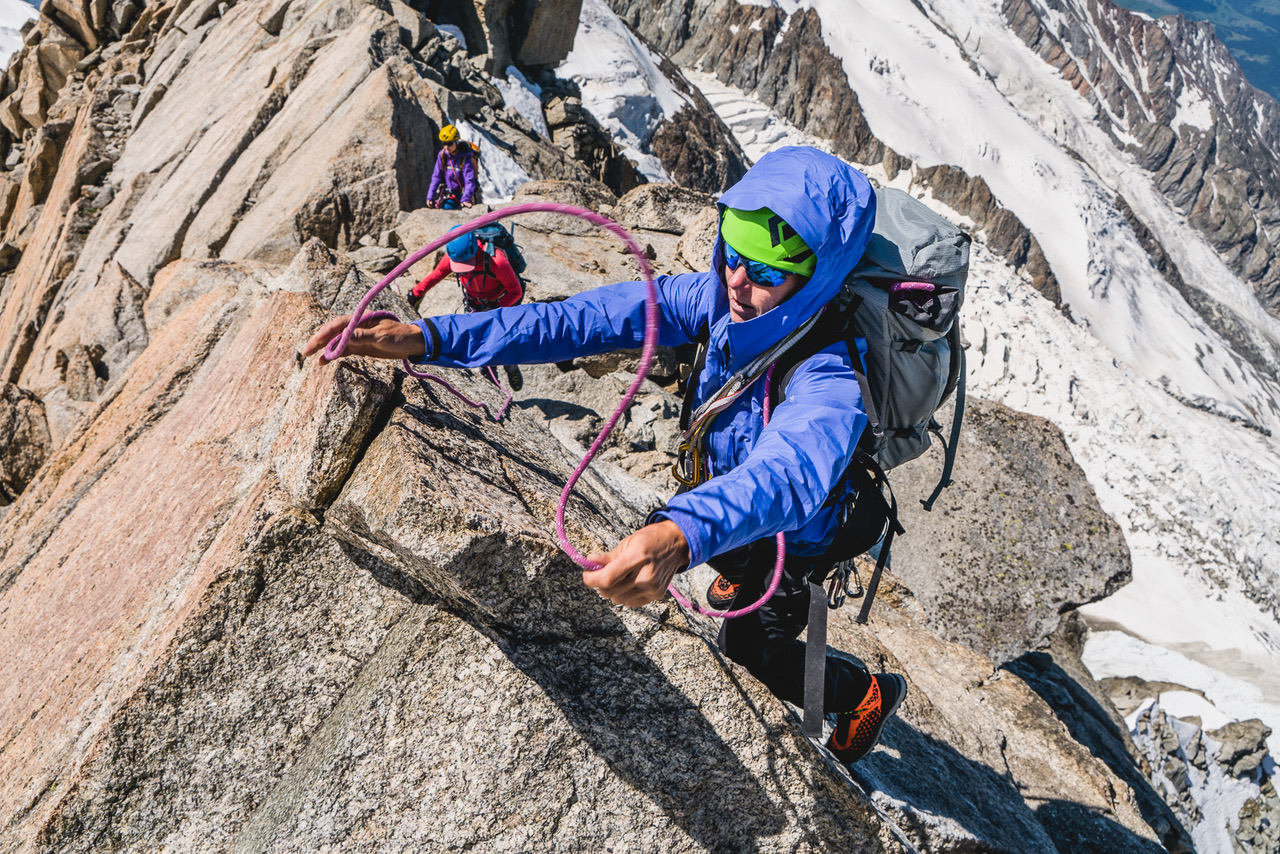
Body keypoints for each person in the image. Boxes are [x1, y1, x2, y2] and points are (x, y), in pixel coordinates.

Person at [302, 146, 906, 765]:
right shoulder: (712, 300)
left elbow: (789, 475)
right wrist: (427, 337)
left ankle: (863, 692)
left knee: (751, 650)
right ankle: (734, 561)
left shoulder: (830, 375)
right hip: (728, 483)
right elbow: (578, 322)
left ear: (817, 280)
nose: (736, 281)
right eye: (732, 254)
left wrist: (683, 535)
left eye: (765, 273)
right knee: (705, 538)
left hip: (803, 531)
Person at [407, 229, 524, 313]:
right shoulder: (453, 257)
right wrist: (415, 294)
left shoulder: (495, 260)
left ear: (475, 251)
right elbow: (437, 274)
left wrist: (494, 310)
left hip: (501, 302)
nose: (464, 268)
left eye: (467, 263)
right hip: (474, 303)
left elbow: (515, 292)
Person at [426, 124, 477, 210]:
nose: (446, 147)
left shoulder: (465, 157)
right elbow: (436, 176)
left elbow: (469, 180)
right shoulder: (442, 155)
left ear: (456, 141)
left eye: (449, 143)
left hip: (464, 193)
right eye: (444, 143)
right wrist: (430, 196)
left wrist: (466, 198)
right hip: (450, 193)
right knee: (447, 208)